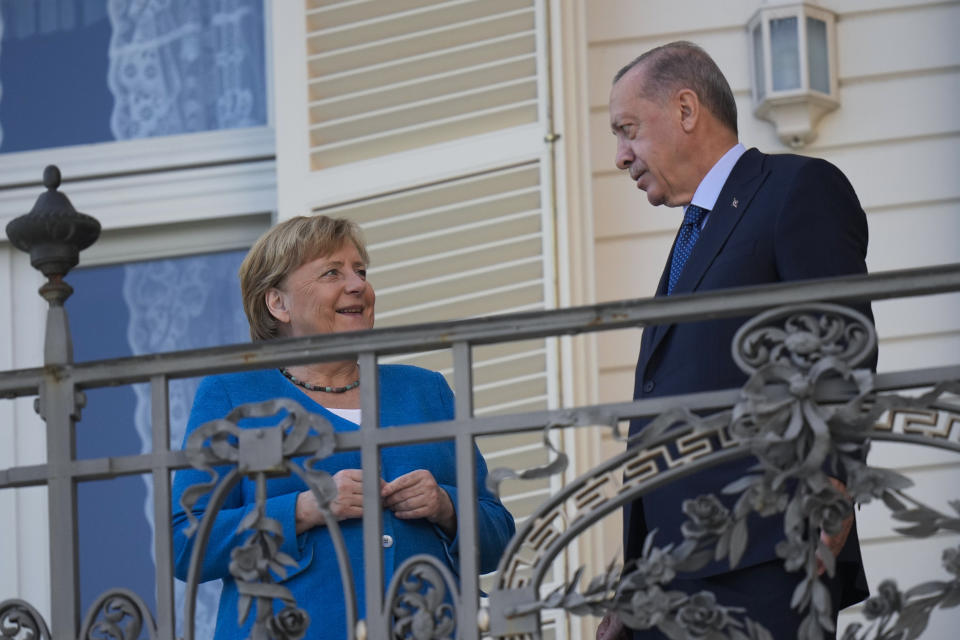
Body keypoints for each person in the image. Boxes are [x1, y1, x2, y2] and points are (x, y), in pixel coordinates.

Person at [597, 42, 871, 639]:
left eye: (628, 130)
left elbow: (842, 345)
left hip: (766, 554)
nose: (620, 156)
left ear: (687, 109)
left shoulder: (796, 188)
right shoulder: (694, 231)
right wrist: (633, 584)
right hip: (671, 580)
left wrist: (835, 486)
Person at [171, 215, 515, 640]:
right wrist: (302, 510)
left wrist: (446, 505)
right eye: (332, 272)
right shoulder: (232, 396)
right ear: (278, 304)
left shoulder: (425, 390)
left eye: (361, 272)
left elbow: (499, 536)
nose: (357, 285)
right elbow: (185, 544)